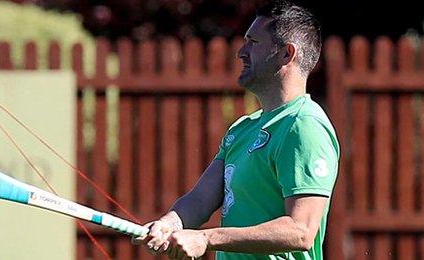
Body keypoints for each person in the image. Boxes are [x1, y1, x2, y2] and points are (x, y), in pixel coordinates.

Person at [135, 1, 340, 259]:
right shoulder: (242, 129)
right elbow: (199, 200)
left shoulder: (304, 126)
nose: (241, 52)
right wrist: (169, 224)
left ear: (287, 53)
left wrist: (206, 238)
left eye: (253, 42)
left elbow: (301, 231)